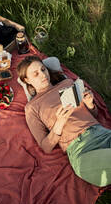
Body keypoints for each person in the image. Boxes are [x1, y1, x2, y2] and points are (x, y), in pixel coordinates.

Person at [17, 55, 111, 187]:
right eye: (36, 74)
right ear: (27, 80)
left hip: (102, 134)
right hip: (81, 149)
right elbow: (45, 146)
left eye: (43, 69)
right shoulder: (32, 107)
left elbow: (92, 116)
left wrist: (90, 104)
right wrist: (59, 124)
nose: (43, 75)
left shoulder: (67, 84)